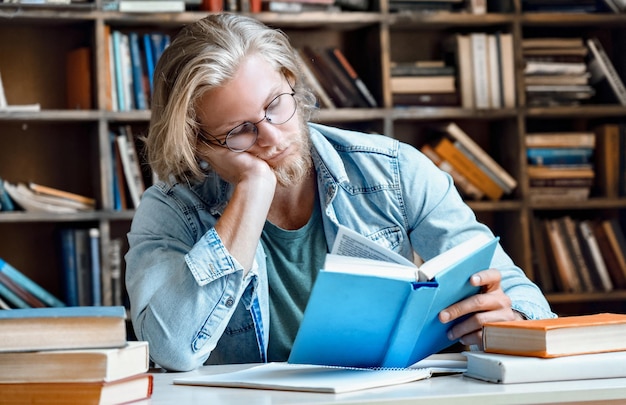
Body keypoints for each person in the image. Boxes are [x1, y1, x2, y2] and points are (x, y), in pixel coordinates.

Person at [125, 13, 555, 372]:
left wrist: (509, 320)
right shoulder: (171, 210)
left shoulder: (393, 170)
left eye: (275, 104)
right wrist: (252, 191)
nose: (272, 137)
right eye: (239, 131)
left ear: (291, 80)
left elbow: (523, 296)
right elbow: (172, 350)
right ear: (198, 143)